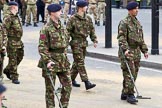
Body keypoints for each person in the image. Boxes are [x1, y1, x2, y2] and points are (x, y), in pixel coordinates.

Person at [38, 3, 72, 108]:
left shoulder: (62, 26)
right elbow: (42, 47)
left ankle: (64, 106)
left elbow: (66, 41)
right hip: (51, 61)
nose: (61, 12)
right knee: (50, 90)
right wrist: (48, 61)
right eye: (59, 11)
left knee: (67, 86)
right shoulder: (46, 28)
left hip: (62, 61)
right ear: (52, 13)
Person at [117, 1, 148, 104]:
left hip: (136, 52)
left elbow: (140, 38)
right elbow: (121, 38)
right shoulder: (124, 22)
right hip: (128, 51)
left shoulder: (137, 23)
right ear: (130, 10)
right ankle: (130, 94)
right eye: (135, 9)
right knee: (130, 73)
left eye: (137, 8)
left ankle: (124, 92)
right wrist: (125, 49)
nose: (137, 10)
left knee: (134, 74)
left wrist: (145, 50)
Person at [66, 0, 98, 90]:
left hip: (84, 43)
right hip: (76, 43)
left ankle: (69, 79)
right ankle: (86, 82)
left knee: (77, 63)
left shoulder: (88, 18)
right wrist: (65, 43)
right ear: (80, 7)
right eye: (85, 6)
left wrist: (94, 40)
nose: (87, 7)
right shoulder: (72, 19)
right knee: (80, 63)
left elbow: (92, 30)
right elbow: (67, 32)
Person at [3, 1, 24, 84]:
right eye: (17, 7)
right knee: (13, 59)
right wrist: (5, 43)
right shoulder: (8, 17)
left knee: (20, 57)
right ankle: (14, 76)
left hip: (18, 41)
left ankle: (8, 70)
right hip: (11, 41)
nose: (18, 8)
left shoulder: (16, 16)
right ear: (14, 7)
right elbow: (4, 30)